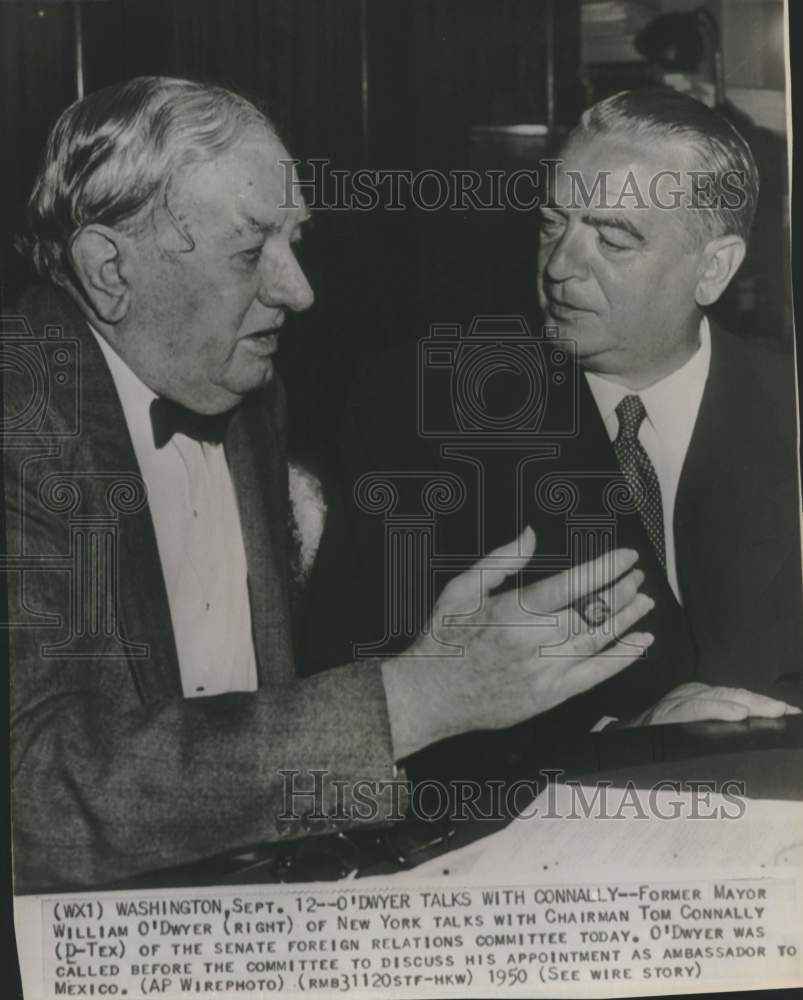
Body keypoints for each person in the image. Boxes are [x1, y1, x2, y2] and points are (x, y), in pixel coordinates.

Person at [3, 77, 658, 893]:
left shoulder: (241, 388)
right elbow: (31, 795)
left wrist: (443, 670)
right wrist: (412, 698)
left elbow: (256, 722)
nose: (298, 289)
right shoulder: (20, 422)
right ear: (108, 269)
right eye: (249, 253)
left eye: (294, 241)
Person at [304, 89, 802, 775]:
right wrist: (618, 738)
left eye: (613, 236)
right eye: (551, 224)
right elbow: (353, 704)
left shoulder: (788, 408)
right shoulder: (418, 411)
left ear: (712, 268)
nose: (560, 267)